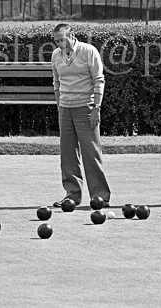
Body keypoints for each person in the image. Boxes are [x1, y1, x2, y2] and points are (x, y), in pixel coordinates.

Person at [51, 23, 111, 208]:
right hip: (65, 108)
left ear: (72, 36)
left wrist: (96, 107)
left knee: (91, 153)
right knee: (67, 154)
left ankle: (100, 196)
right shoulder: (56, 55)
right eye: (56, 41)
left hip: (86, 108)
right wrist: (59, 105)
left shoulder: (88, 51)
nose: (60, 44)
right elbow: (56, 82)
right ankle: (72, 194)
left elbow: (99, 80)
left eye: (62, 40)